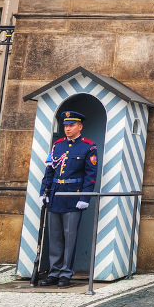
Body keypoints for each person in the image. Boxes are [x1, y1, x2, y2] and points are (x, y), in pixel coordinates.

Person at [38, 110, 98, 287]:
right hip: (56, 195)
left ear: (80, 126)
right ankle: (54, 272)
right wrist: (44, 192)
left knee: (69, 237)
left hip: (73, 196)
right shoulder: (57, 146)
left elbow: (91, 175)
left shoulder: (88, 147)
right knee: (55, 237)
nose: (67, 129)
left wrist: (84, 197)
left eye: (71, 125)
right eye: (65, 125)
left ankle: (66, 273)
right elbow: (49, 171)